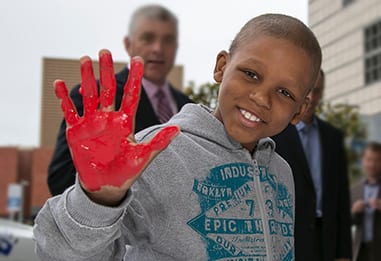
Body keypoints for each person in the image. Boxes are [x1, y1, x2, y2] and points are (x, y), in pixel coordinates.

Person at [33, 13, 322, 260]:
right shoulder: (151, 155)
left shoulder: (281, 171)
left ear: (299, 110)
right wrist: (99, 199)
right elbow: (59, 253)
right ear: (222, 66)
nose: (261, 97)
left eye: (285, 92)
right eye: (250, 73)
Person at [47, 4, 193, 196]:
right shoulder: (94, 97)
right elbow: (60, 179)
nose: (158, 49)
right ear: (128, 44)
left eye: (167, 40)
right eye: (148, 38)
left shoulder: (188, 107)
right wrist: (103, 193)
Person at [272, 69, 352, 261]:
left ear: (322, 93)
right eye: (307, 90)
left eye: (316, 91)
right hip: (289, 240)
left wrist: (344, 253)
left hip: (326, 241)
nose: (311, 97)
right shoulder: (275, 134)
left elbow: (342, 197)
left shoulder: (332, 137)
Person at [351, 141, 381, 261]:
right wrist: (353, 211)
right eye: (369, 159)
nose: (372, 164)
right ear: (363, 161)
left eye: (377, 160)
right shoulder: (355, 190)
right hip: (360, 250)